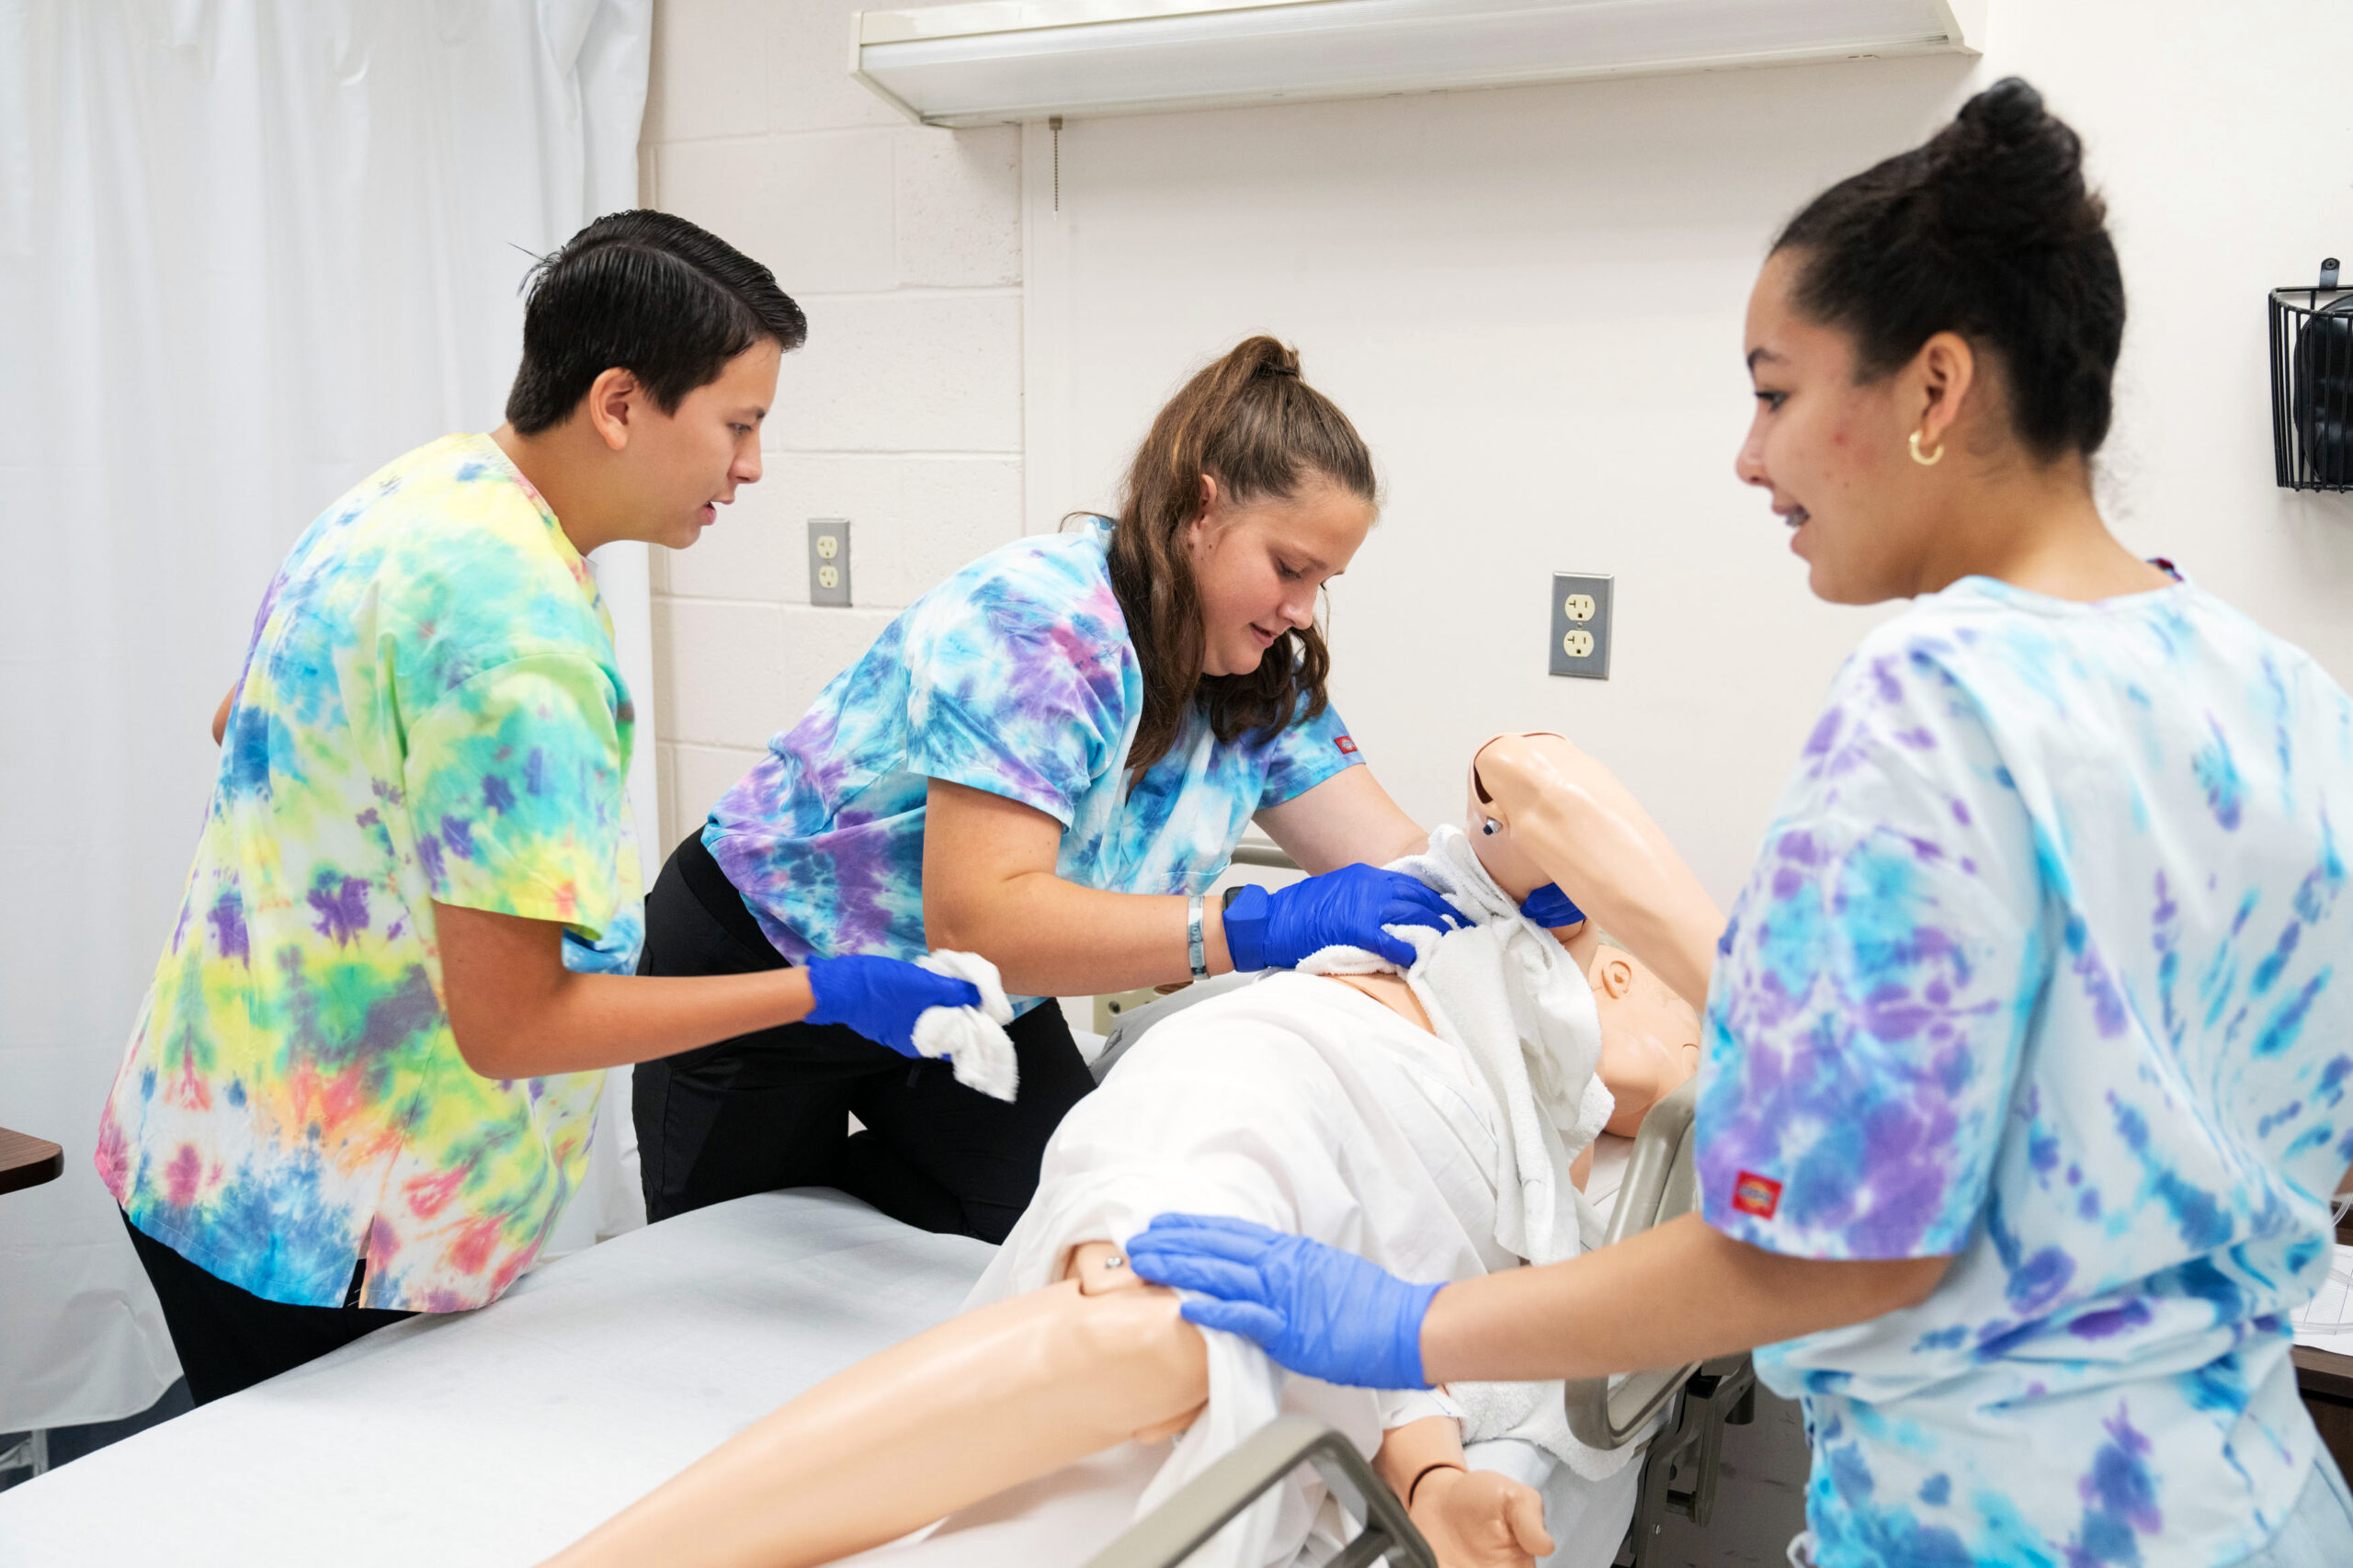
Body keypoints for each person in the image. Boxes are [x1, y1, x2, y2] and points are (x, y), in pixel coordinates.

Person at [1129, 79, 2353, 1567]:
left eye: (1775, 392)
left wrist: (1412, 1325)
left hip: (1999, 1527)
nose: (1747, 455)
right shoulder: (2288, 695)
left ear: (1935, 390)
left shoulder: (1934, 700)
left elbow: (1823, 1258)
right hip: (2265, 1507)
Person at [95, 211, 985, 1404]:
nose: (754, 466)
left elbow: (239, 721)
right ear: (620, 403)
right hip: (324, 1219)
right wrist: (822, 992)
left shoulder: (418, 494)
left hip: (201, 1126)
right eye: (741, 423)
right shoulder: (518, 625)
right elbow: (512, 1026)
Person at [539, 787, 1708, 1568]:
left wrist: (1438, 1473)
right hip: (1274, 1065)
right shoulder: (1521, 932)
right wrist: (1715, 958)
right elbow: (1528, 769)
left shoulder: (1545, 1144)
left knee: (1179, 1349)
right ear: (1617, 975)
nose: (1713, 1076)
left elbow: (1399, 1293)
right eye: (1713, 1036)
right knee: (1147, 1318)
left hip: (1364, 1160)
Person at [632, 335, 1459, 1243]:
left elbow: (1393, 857)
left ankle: (843, 1191)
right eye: (1288, 567)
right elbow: (981, 918)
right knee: (730, 1268)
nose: (1301, 609)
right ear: (1199, 508)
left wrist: (1504, 879)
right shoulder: (1041, 627)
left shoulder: (1262, 680)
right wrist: (1246, 924)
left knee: (1061, 1217)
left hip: (961, 997)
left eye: (1322, 582)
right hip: (772, 964)